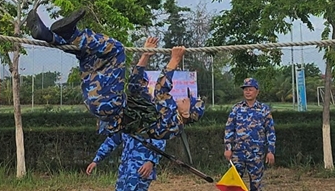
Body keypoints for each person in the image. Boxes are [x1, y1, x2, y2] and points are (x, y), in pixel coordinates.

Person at [27, 9, 204, 140]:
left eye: (187, 101)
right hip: (102, 102)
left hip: (110, 104)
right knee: (90, 55)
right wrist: (145, 55)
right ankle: (49, 35)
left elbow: (160, 90)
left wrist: (174, 60)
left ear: (187, 114)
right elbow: (135, 86)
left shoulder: (173, 123)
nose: (183, 98)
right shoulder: (157, 114)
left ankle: (72, 34)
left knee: (116, 50)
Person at [215, 77, 276, 191]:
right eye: (245, 89)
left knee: (256, 184)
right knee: (233, 183)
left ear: (257, 91)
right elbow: (229, 129)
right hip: (237, 154)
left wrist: (271, 151)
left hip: (256, 154)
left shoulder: (264, 109)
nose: (247, 92)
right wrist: (228, 148)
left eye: (250, 89)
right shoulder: (236, 108)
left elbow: (270, 131)